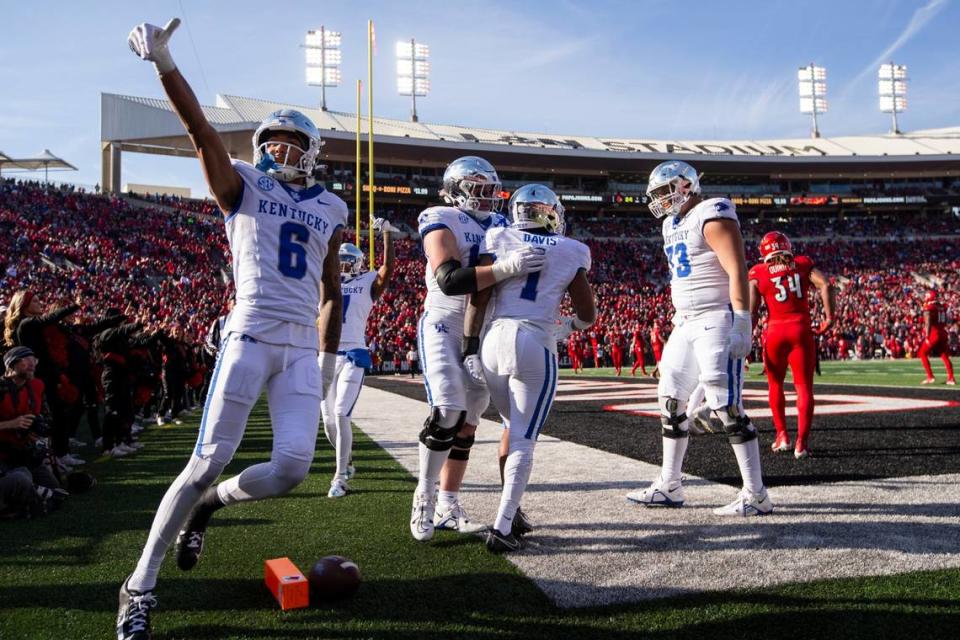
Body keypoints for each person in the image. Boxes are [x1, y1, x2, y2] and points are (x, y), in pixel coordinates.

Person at [118, 19, 346, 640]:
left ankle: (212, 508)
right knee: (202, 461)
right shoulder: (241, 184)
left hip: (301, 344)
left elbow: (332, 289)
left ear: (313, 150)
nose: (276, 151)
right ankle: (139, 585)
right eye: (268, 141)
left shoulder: (331, 207)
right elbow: (199, 130)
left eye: (289, 143)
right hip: (248, 332)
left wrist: (327, 361)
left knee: (294, 467)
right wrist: (165, 64)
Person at [625, 160, 772, 516]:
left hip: (716, 319)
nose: (659, 199)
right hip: (686, 323)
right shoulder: (669, 224)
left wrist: (742, 321)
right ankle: (670, 485)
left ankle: (756, 495)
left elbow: (737, 268)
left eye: (664, 191)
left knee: (726, 405)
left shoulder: (712, 212)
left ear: (685, 186)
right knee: (670, 401)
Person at [410, 156, 545, 542]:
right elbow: (450, 280)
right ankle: (425, 493)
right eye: (477, 189)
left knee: (468, 424)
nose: (486, 198)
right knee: (447, 410)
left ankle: (448, 505)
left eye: (490, 190)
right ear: (455, 190)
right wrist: (506, 268)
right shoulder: (440, 216)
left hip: (486, 329)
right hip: (444, 323)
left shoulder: (503, 225)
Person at [463, 184, 595, 552]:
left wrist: (470, 347)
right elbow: (588, 313)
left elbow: (481, 294)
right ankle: (503, 526)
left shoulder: (500, 237)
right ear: (550, 213)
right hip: (533, 340)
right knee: (523, 437)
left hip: (493, 341)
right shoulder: (571, 250)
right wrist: (567, 328)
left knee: (510, 428)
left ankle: (513, 511)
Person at [321, 220, 396, 499]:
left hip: (353, 355)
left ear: (359, 263)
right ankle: (348, 460)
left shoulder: (366, 282)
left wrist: (386, 235)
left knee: (341, 413)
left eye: (348, 261)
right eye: (338, 260)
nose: (342, 265)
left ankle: (339, 477)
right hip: (326, 356)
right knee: (329, 421)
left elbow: (387, 269)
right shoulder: (326, 281)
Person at [748, 231, 835, 457]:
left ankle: (782, 436)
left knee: (775, 385)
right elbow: (826, 284)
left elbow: (752, 311)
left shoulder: (758, 272)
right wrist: (829, 318)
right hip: (800, 330)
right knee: (803, 387)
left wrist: (746, 336)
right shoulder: (802, 264)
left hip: (775, 332)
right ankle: (801, 444)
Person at [918, 290, 956, 385]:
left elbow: (928, 322)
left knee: (922, 353)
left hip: (934, 333)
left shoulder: (929, 307)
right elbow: (947, 320)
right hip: (943, 332)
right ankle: (951, 378)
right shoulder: (942, 307)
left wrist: (927, 336)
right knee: (944, 356)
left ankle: (930, 376)